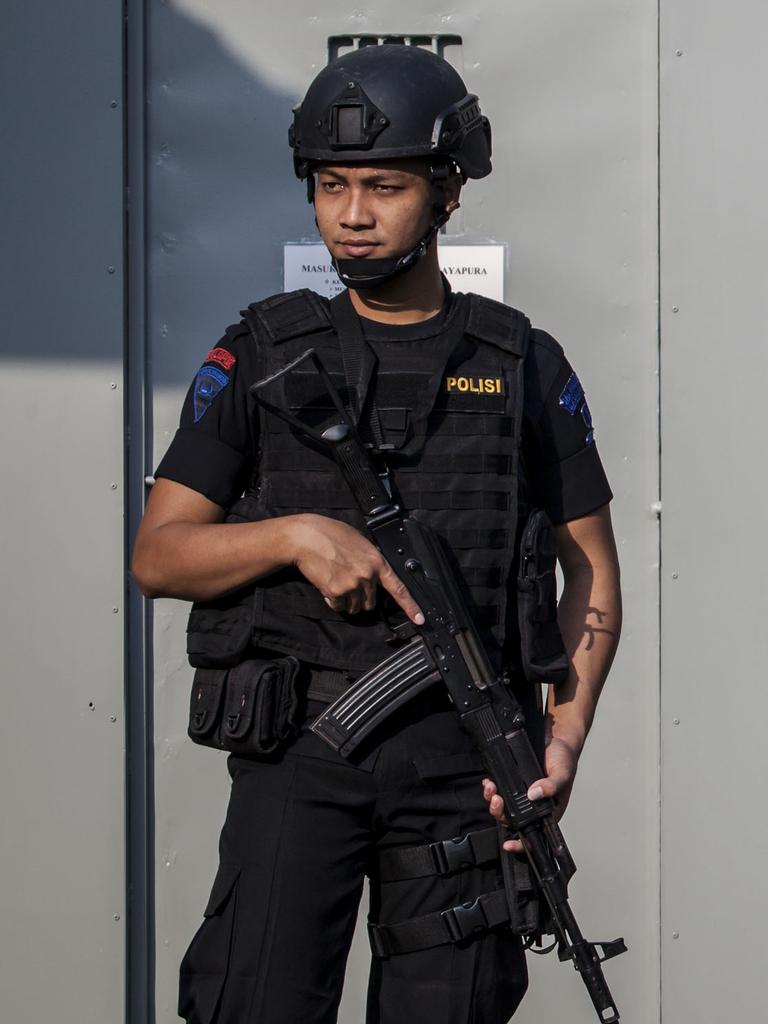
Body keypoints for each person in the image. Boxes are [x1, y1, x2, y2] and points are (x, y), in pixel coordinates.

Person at [132, 43, 621, 1024]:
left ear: (447, 194)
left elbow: (590, 572)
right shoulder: (261, 353)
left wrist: (559, 744)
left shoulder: (522, 363)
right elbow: (161, 552)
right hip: (299, 757)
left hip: (466, 776)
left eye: (385, 186)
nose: (352, 214)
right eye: (333, 185)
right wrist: (294, 535)